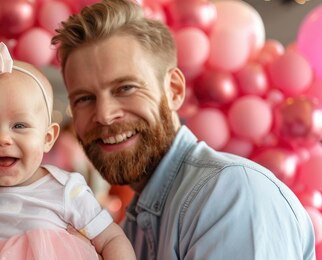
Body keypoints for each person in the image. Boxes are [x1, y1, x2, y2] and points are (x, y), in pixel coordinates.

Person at [52, 0, 316, 259]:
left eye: (125, 88)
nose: (105, 115)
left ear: (174, 90)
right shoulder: (131, 227)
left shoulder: (229, 196)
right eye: (84, 98)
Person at [0, 42, 136, 260]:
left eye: (19, 126)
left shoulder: (66, 190)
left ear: (47, 138)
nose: (2, 138)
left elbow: (111, 239)